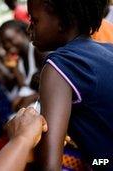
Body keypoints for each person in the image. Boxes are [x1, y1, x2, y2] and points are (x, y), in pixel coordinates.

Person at [27, 0, 113, 170]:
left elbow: (50, 166)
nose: (29, 29)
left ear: (63, 21)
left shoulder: (60, 66)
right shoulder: (109, 49)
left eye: (35, 21)